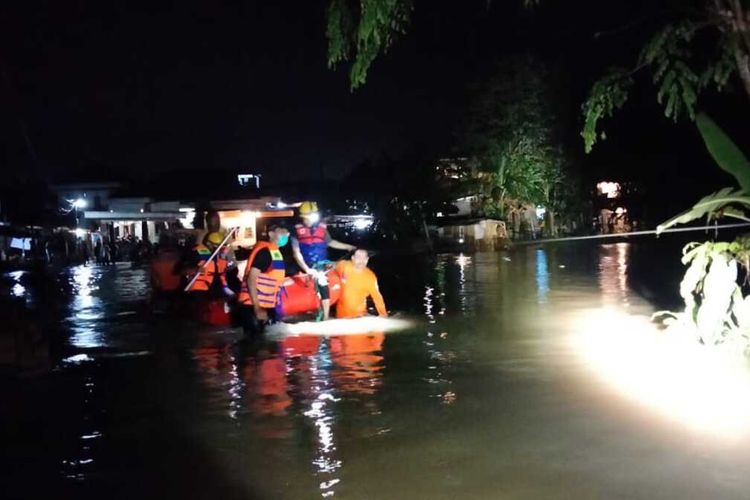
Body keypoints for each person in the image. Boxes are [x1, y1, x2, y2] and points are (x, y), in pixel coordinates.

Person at [291, 201, 355, 320]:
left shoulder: (322, 229)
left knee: (323, 280)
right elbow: (296, 253)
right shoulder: (296, 231)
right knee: (317, 279)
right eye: (307, 217)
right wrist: (306, 269)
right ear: (302, 217)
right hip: (305, 264)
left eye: (312, 216)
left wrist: (348, 247)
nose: (310, 220)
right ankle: (318, 314)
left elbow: (331, 242)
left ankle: (326, 315)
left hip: (321, 264)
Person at [237, 223, 290, 336]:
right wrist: (257, 307)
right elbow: (251, 279)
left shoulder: (275, 252)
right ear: (271, 234)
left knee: (270, 345)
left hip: (267, 305)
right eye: (282, 232)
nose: (286, 235)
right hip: (253, 306)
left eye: (287, 232)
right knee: (256, 345)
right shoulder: (265, 252)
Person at [334, 248, 387, 318]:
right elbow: (330, 270)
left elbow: (377, 298)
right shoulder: (343, 265)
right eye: (358, 257)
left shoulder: (370, 277)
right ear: (352, 258)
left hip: (360, 316)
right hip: (340, 316)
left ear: (367, 259)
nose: (361, 261)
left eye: (364, 258)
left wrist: (383, 314)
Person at [183, 231, 235, 298]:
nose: (219, 248)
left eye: (220, 246)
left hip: (217, 293)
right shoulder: (197, 253)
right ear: (208, 244)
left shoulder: (221, 256)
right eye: (216, 245)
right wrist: (195, 269)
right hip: (199, 292)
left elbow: (225, 273)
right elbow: (182, 270)